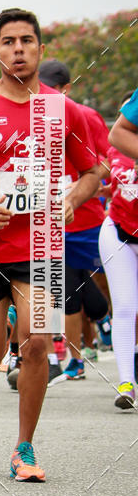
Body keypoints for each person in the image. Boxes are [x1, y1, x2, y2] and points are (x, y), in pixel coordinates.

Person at [0, 8, 100, 482]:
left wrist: (72, 198)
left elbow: (91, 172)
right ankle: (5, 324)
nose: (19, 49)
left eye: (27, 41)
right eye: (8, 42)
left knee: (38, 342)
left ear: (41, 49)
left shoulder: (61, 110)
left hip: (41, 243)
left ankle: (23, 448)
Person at [38, 59, 110, 381]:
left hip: (89, 220)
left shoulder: (86, 116)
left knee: (102, 292)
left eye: (51, 91)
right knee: (65, 291)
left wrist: (77, 187)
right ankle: (74, 359)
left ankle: (106, 325)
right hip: (50, 226)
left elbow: (107, 163)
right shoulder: (28, 117)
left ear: (66, 89)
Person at [101, 91, 138, 408]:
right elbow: (92, 175)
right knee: (125, 308)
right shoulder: (115, 149)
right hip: (118, 231)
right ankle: (126, 384)